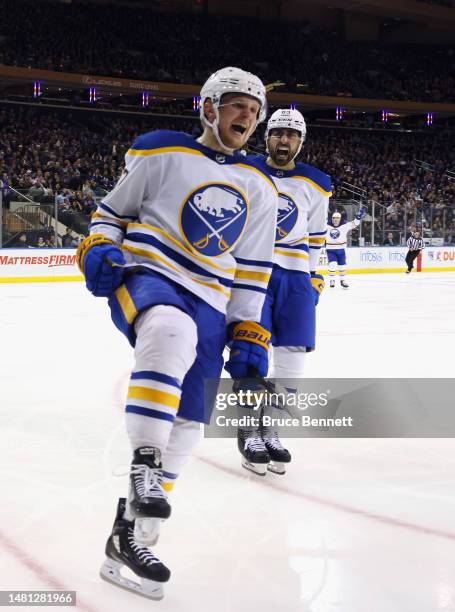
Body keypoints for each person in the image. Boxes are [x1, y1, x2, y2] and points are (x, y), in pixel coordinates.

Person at [76, 66, 277, 600]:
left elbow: (253, 269)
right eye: (238, 106)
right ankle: (144, 462)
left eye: (254, 112)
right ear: (208, 107)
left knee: (190, 423)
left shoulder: (258, 185)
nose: (248, 118)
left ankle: (133, 537)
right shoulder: (162, 151)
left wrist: (248, 329)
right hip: (149, 276)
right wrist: (97, 246)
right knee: (171, 330)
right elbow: (109, 214)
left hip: (213, 297)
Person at [239, 108, 330, 475]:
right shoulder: (247, 171)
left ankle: (271, 429)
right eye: (277, 133)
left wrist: (314, 278)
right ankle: (247, 431)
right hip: (255, 272)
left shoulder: (316, 183)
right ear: (267, 137)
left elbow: (317, 237)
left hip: (295, 279)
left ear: (300, 142)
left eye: (291, 135)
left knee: (292, 360)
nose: (284, 140)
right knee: (250, 353)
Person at [326, 208, 365, 289]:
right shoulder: (326, 225)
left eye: (337, 218)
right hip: (330, 249)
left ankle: (342, 281)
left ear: (340, 219)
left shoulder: (344, 225)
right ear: (331, 218)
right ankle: (332, 280)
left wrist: (358, 217)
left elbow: (355, 223)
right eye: (334, 218)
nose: (335, 220)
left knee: (342, 265)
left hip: (341, 249)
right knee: (332, 264)